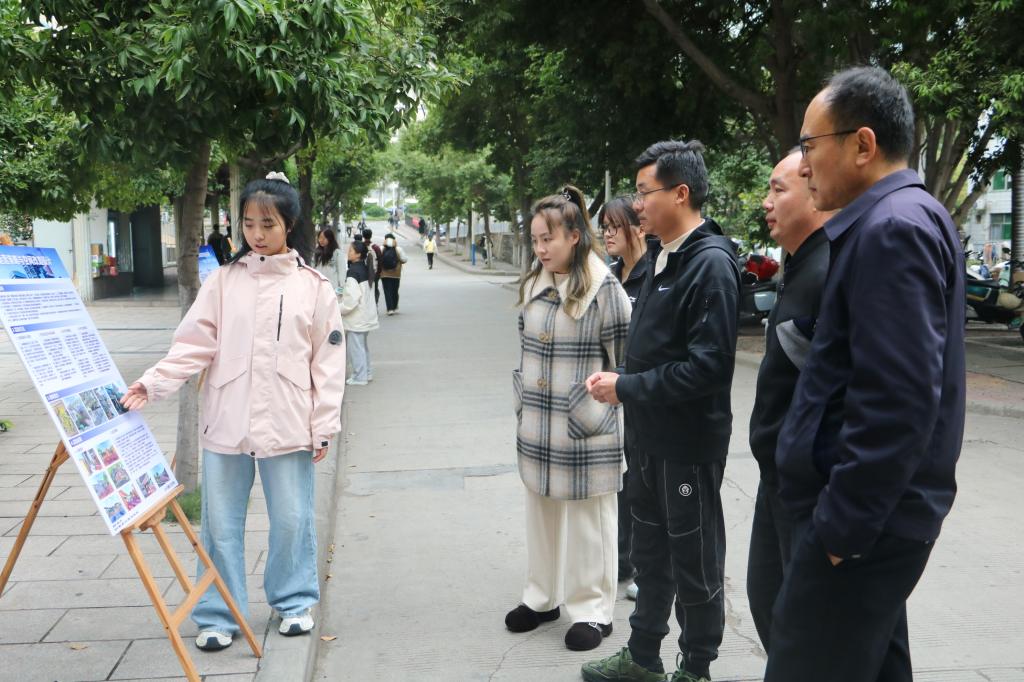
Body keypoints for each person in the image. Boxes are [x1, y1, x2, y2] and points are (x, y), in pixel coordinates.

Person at [763, 67, 967, 682]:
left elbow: (897, 403)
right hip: (870, 521)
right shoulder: (895, 219)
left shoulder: (893, 228)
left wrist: (839, 531)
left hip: (861, 528)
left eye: (810, 146)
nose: (803, 165)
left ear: (862, 145)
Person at [119, 172, 346, 652]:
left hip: (289, 421)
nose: (257, 234)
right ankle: (218, 613)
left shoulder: (313, 287)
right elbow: (193, 344)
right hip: (226, 419)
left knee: (292, 519)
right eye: (248, 223)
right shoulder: (223, 282)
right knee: (220, 525)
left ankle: (293, 602)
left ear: (289, 224)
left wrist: (324, 424)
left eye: (268, 224)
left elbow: (328, 363)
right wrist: (152, 382)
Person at [584, 140, 740, 682]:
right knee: (649, 555)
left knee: (694, 561)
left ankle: (696, 667)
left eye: (644, 192)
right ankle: (642, 655)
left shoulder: (710, 265)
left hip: (687, 445)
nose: (637, 204)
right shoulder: (659, 256)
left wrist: (628, 386)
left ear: (680, 193)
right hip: (647, 438)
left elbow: (708, 369)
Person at [506, 185, 632, 652]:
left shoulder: (604, 288)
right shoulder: (533, 284)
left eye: (549, 239)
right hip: (538, 427)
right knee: (540, 512)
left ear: (574, 236)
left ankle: (592, 611)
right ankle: (541, 598)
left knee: (588, 523)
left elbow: (625, 360)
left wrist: (603, 400)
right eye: (536, 240)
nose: (540, 249)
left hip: (587, 428)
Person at [745, 148, 832, 653]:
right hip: (777, 476)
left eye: (778, 189)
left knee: (802, 626)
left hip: (808, 486)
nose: (766, 201)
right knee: (768, 601)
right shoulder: (798, 266)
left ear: (815, 190)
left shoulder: (831, 270)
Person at [596, 196, 649, 598]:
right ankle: (619, 560)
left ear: (637, 227)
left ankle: (645, 567)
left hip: (643, 392)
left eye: (615, 226)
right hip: (612, 394)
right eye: (604, 228)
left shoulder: (654, 274)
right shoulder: (608, 277)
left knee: (643, 484)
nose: (608, 234)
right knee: (619, 480)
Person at [338, 241, 379, 385]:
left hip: (357, 318)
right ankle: (366, 373)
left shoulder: (353, 272)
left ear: (358, 254)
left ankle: (359, 377)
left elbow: (351, 300)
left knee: (356, 348)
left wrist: (338, 308)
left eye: (351, 250)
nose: (348, 253)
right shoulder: (366, 269)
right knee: (362, 347)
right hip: (366, 315)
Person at [378, 232, 408, 315]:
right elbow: (404, 260)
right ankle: (394, 307)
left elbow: (377, 259)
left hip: (384, 274)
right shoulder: (398, 249)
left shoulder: (381, 248)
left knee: (387, 291)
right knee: (395, 290)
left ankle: (390, 309)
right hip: (396, 274)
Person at [313, 228, 344, 297]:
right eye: (320, 238)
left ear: (330, 238)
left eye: (324, 238)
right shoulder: (317, 253)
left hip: (333, 289)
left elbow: (342, 272)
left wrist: (340, 291)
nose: (321, 240)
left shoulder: (337, 253)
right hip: (319, 288)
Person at [363, 228, 382, 305]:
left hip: (363, 273)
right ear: (371, 236)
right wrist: (379, 273)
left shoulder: (361, 246)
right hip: (374, 272)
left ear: (363, 236)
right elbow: (380, 261)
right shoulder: (376, 247)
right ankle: (375, 304)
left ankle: (366, 305)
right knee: (374, 288)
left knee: (364, 289)